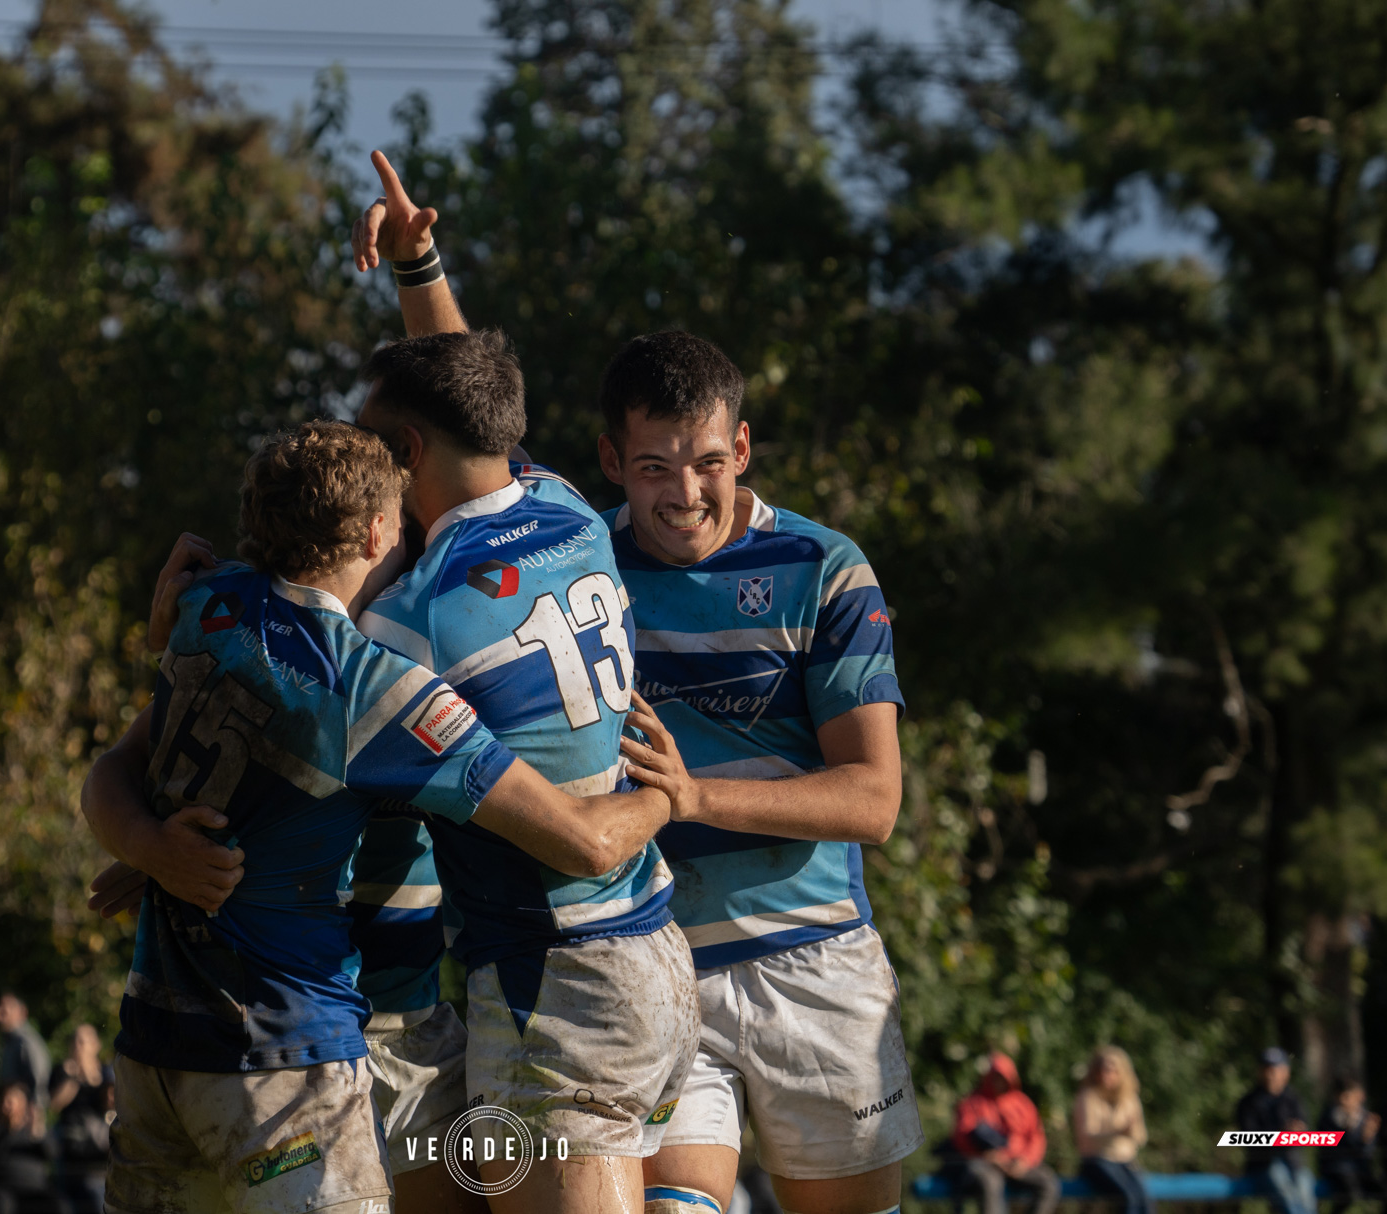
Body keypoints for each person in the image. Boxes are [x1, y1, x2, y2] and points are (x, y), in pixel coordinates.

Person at [351, 151, 919, 1214]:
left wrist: (690, 797)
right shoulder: (576, 539)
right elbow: (472, 424)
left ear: (742, 448)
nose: (684, 492)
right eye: (655, 466)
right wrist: (421, 268)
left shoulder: (824, 567)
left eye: (707, 462)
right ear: (613, 462)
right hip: (657, 950)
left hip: (813, 959)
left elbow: (874, 800)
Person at [80, 421, 681, 1214]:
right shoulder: (373, 685)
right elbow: (583, 841)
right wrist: (671, 793)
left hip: (156, 1039)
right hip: (292, 1051)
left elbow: (115, 771)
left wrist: (146, 845)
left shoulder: (211, 603)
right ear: (374, 531)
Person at [945, 1053, 1060, 1214]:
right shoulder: (973, 1103)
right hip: (987, 1163)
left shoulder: (1022, 1104)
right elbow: (961, 1137)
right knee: (990, 1182)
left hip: (1018, 1164)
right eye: (995, 1078)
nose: (998, 1083)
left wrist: (1025, 1161)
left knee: (1048, 1183)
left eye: (1003, 1078)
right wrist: (989, 1156)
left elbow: (1036, 1137)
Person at [1072, 1046, 1153, 1214]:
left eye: (1112, 1071)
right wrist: (1118, 1132)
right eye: (1102, 1070)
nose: (1106, 1075)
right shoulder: (1087, 1097)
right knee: (1128, 1198)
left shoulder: (1130, 1099)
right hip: (1097, 1162)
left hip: (1125, 1162)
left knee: (1145, 1200)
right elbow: (1087, 1135)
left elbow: (1141, 1137)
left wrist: (1131, 1132)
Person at [1237, 1048, 1316, 1214]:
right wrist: (1280, 1135)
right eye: (1266, 1069)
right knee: (1285, 1189)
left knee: (1305, 1192)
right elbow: (1248, 1139)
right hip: (1263, 1166)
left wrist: (1297, 1132)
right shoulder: (1248, 1103)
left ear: (1286, 1072)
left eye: (1275, 1069)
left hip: (1293, 1164)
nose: (1270, 1074)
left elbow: (1304, 1132)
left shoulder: (1293, 1099)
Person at [0, 1081, 62, 1214]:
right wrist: (9, 1130)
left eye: (13, 1099)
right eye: (4, 1099)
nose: (7, 1104)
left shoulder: (35, 1130)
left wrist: (37, 1134)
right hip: (1, 1189)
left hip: (35, 1190)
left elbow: (52, 1154)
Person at [49, 1024, 114, 1214]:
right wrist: (74, 1078)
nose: (78, 1047)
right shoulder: (62, 1071)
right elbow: (55, 1104)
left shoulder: (106, 1072)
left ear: (96, 1045)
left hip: (97, 1150)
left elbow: (111, 1102)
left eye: (83, 1042)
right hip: (69, 1147)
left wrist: (91, 1074)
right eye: (75, 1041)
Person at [1319, 1075, 1380, 1214]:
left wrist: (1367, 1139)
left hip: (1361, 1171)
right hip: (1337, 1170)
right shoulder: (1329, 1118)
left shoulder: (1365, 1119)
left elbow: (1367, 1153)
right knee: (1350, 1194)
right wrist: (1351, 1132)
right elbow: (1331, 1148)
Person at [0, 994, 52, 1130]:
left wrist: (35, 1112)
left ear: (22, 1012)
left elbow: (39, 1078)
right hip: (12, 1115)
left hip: (27, 1117)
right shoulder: (10, 1041)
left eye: (5, 1011)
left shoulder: (26, 1042)